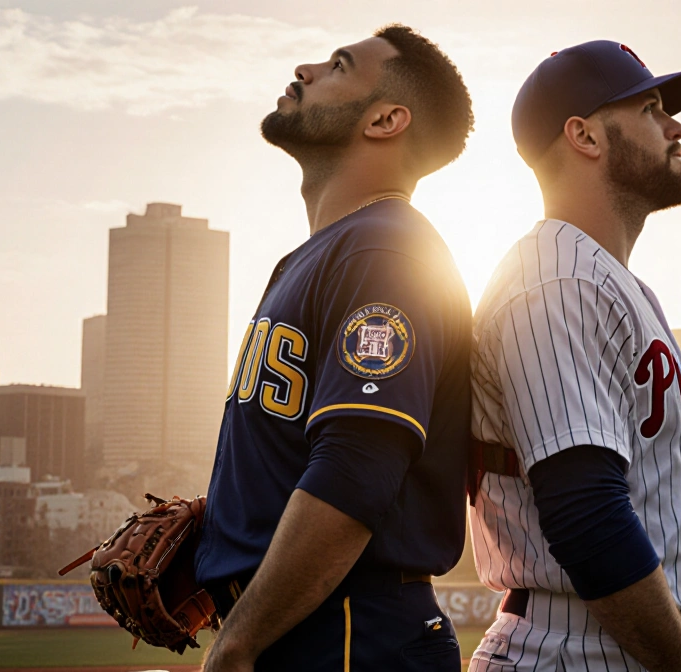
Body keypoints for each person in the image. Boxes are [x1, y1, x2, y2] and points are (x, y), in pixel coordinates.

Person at [466, 41, 681, 671]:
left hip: (632, 645)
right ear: (586, 136)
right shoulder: (557, 280)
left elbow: (669, 527)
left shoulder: (618, 285)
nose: (676, 125)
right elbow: (587, 516)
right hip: (574, 649)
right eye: (651, 108)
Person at [195, 24, 474, 672]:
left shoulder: (386, 249)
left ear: (385, 119)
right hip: (312, 626)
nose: (306, 68)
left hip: (351, 632)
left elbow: (356, 468)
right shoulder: (321, 254)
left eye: (339, 66)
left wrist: (237, 642)